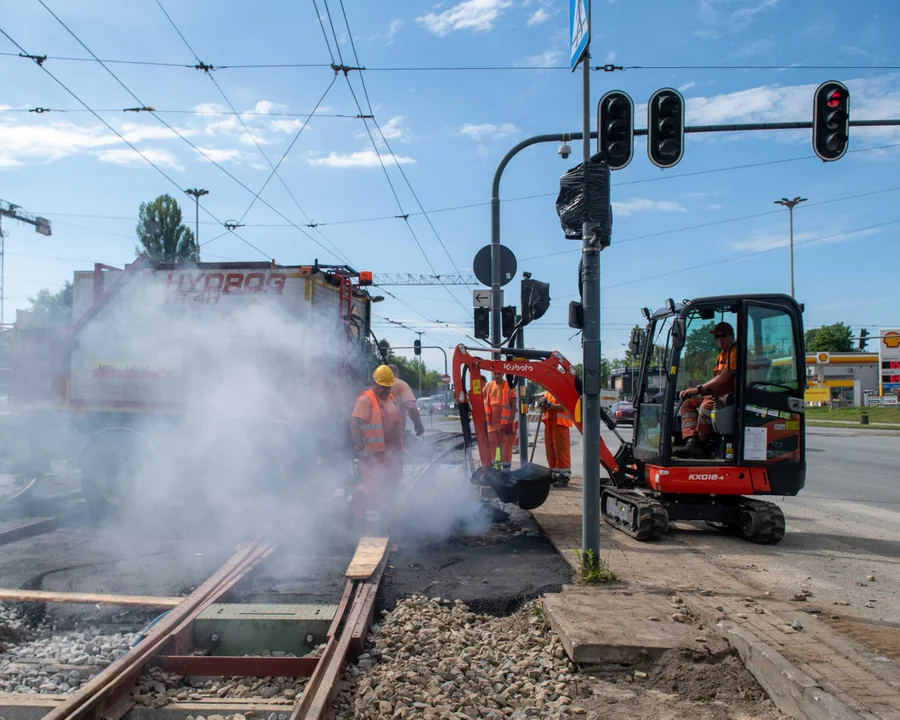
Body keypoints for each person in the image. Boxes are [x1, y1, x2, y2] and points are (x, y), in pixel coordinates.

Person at [349, 365, 404, 527]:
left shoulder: (390, 399)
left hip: (389, 454)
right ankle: (372, 528)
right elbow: (354, 426)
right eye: (384, 387)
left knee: (389, 488)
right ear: (376, 384)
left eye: (389, 387)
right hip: (372, 456)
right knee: (373, 492)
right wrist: (360, 449)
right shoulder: (365, 400)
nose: (387, 391)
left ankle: (386, 522)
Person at [674, 321, 738, 459]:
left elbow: (723, 379)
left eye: (723, 335)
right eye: (716, 337)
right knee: (687, 403)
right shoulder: (721, 356)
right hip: (717, 394)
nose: (719, 339)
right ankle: (691, 440)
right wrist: (693, 391)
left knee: (705, 406)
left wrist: (698, 390)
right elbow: (715, 381)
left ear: (731, 336)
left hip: (731, 396)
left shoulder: (735, 352)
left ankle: (700, 446)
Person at [484, 370, 516, 471]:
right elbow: (480, 399)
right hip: (492, 426)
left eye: (499, 373)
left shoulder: (509, 387)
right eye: (495, 373)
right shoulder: (488, 386)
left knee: (506, 451)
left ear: (503, 374)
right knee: (490, 451)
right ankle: (491, 472)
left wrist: (510, 423)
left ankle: (506, 473)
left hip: (505, 426)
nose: (496, 375)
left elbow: (514, 406)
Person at [541, 390, 573, 487]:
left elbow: (564, 406)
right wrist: (542, 405)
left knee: (561, 451)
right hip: (549, 425)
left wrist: (549, 405)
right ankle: (555, 474)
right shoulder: (547, 393)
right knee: (550, 451)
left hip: (560, 425)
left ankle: (564, 476)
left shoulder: (561, 390)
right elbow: (544, 410)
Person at [387, 364, 425, 438]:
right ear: (397, 373)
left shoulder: (376, 385)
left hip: (376, 432)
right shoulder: (401, 384)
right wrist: (418, 425)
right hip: (395, 432)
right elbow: (411, 406)